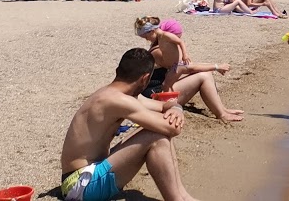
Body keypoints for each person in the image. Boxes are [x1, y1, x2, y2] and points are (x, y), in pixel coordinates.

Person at [59, 48, 200, 201]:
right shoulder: (118, 100)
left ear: (118, 70)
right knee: (155, 135)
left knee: (155, 131)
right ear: (145, 78)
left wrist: (177, 109)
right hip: (79, 186)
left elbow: (162, 106)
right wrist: (174, 114)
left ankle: (183, 196)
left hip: (82, 178)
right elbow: (172, 128)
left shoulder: (114, 94)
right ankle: (177, 198)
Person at [135, 16, 229, 91]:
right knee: (196, 71)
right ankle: (216, 68)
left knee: (170, 82)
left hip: (171, 70)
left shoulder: (164, 40)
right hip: (164, 76)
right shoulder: (159, 44)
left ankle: (221, 111)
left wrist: (185, 55)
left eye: (146, 37)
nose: (147, 40)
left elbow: (181, 45)